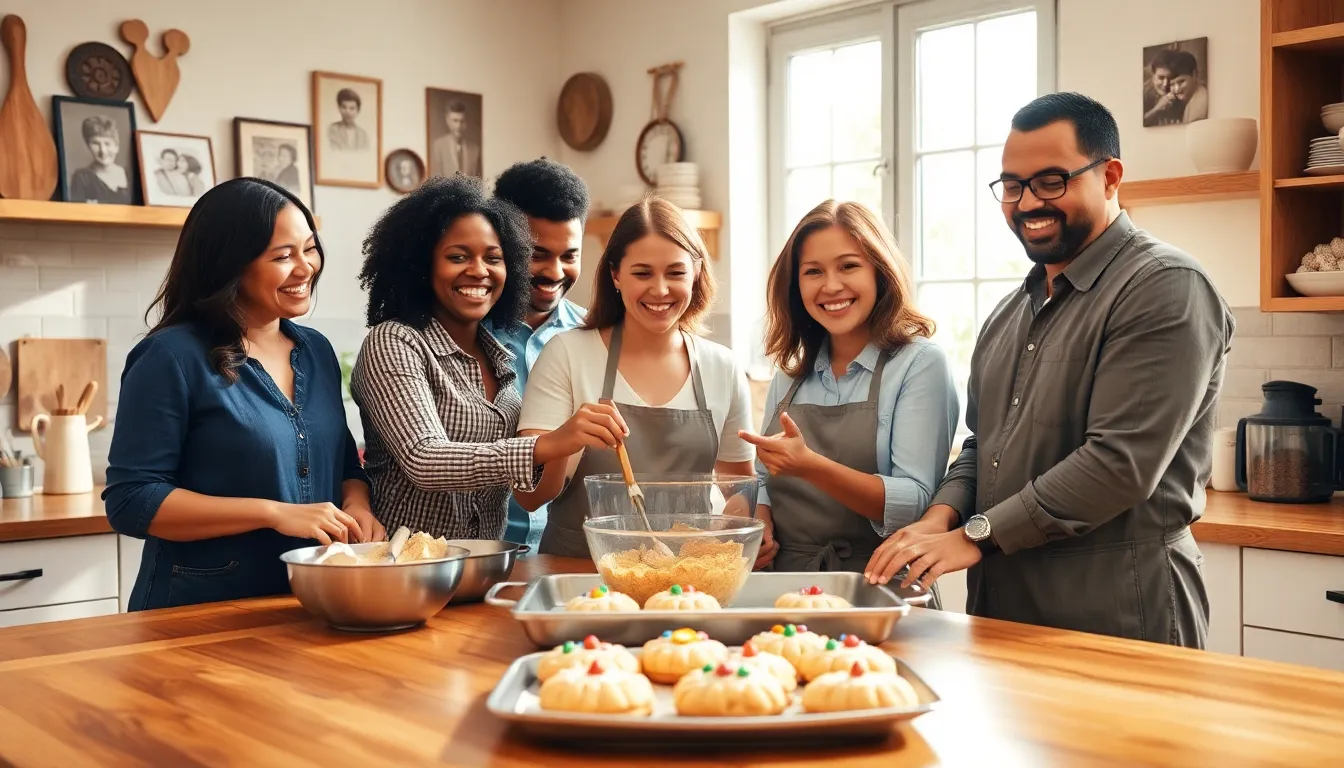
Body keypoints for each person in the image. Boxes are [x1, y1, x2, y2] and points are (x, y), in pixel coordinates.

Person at [864, 93, 1233, 649]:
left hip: (1119, 605)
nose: (1027, 201)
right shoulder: (1011, 311)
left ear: (1110, 177)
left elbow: (1119, 464)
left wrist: (977, 535)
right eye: (1012, 186)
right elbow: (981, 445)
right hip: (1004, 606)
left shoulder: (1165, 286)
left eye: (1052, 180)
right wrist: (939, 517)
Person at [103, 178, 379, 611]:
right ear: (231, 265)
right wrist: (274, 512)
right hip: (197, 615)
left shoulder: (316, 350)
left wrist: (356, 503)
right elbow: (132, 499)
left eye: (309, 248)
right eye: (282, 256)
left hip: (307, 606)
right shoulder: (169, 357)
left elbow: (344, 463)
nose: (306, 267)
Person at [350, 175, 625, 539]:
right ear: (421, 264)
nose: (479, 270)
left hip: (485, 569)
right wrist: (549, 443)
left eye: (493, 258)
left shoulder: (499, 358)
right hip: (408, 569)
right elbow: (424, 459)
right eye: (458, 256)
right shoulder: (395, 341)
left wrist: (567, 439)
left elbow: (528, 488)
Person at [517, 197, 756, 558]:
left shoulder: (721, 367)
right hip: (580, 571)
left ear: (696, 274)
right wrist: (565, 439)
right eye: (642, 273)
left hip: (686, 576)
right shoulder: (567, 354)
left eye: (675, 273)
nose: (659, 290)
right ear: (615, 275)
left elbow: (736, 488)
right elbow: (530, 497)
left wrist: (731, 539)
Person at [739, 200, 958, 576]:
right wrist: (761, 521)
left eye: (848, 266)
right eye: (813, 272)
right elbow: (762, 478)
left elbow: (915, 502)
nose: (831, 286)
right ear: (796, 286)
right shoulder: (790, 374)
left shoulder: (919, 365)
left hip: (881, 583)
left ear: (880, 272)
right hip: (785, 586)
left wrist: (811, 467)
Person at [485, 158, 590, 550]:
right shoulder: (463, 335)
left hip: (564, 551)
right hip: (479, 550)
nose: (555, 271)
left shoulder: (593, 335)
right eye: (537, 254)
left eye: (570, 256)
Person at [69, 116, 132, 204]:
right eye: (96, 144)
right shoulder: (82, 178)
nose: (103, 150)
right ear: (88, 146)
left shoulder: (131, 175)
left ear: (117, 147)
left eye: (107, 144)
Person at [431, 101, 481, 177]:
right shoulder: (438, 146)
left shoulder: (474, 150)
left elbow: (477, 182)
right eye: (455, 121)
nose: (458, 126)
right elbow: (435, 180)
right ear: (448, 121)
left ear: (466, 122)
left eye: (462, 121)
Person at [1141, 49, 1182, 127]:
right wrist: (1157, 108)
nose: (1165, 84)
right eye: (1161, 78)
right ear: (1153, 77)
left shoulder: (1180, 93)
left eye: (1170, 78)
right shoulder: (1143, 93)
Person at [1167, 50, 1209, 124]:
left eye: (1181, 81)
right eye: (1172, 84)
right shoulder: (1191, 97)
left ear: (1194, 74)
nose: (1176, 89)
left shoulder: (1199, 106)